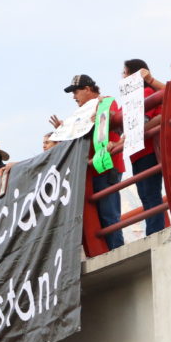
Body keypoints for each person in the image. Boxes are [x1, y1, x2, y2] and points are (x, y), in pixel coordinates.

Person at [51, 75, 125, 249]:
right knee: (98, 216)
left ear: (88, 89)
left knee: (109, 214)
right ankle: (108, 251)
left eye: (76, 91)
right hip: (92, 169)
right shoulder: (80, 114)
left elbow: (114, 121)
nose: (74, 96)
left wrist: (101, 114)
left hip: (106, 165)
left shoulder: (105, 102)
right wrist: (64, 130)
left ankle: (116, 250)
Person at [122, 58, 166, 234]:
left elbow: (147, 120)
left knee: (150, 193)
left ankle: (155, 231)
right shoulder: (134, 97)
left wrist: (134, 131)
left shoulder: (147, 91)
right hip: (138, 151)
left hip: (147, 150)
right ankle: (153, 230)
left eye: (125, 73)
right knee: (145, 194)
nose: (122, 76)